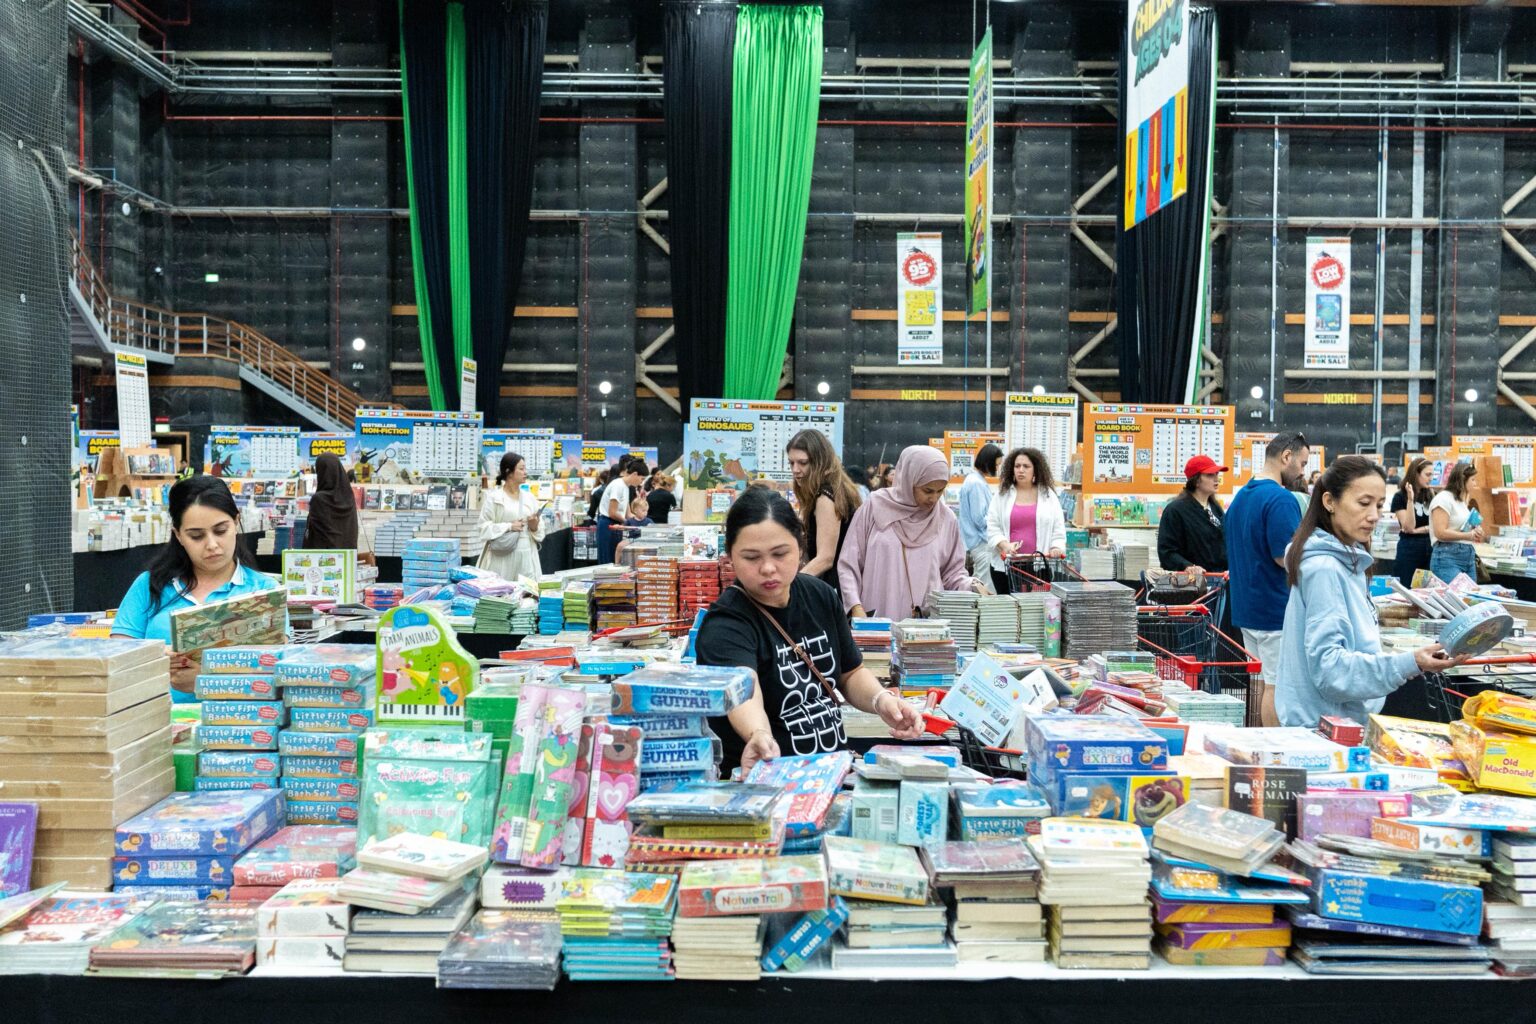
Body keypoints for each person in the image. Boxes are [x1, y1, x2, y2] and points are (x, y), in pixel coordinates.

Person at [694, 488, 924, 773]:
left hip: (832, 774)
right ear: (730, 556)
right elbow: (743, 691)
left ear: (801, 547)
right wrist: (758, 735)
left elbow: (849, 673)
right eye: (751, 557)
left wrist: (881, 701)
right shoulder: (726, 623)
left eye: (780, 553)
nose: (768, 568)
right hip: (773, 779)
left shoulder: (820, 595)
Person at [1277, 456, 1460, 728]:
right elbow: (1330, 671)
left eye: (1379, 505)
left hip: (1337, 721)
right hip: (1326, 729)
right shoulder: (1325, 568)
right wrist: (1409, 663)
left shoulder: (1347, 558)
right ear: (1329, 502)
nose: (1374, 516)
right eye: (1363, 503)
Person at [111, 476, 283, 703]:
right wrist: (156, 658)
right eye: (196, 536)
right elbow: (115, 662)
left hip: (236, 727)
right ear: (178, 535)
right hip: (155, 724)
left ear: (236, 522)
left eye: (221, 531)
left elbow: (278, 677)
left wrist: (205, 681)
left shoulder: (264, 591)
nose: (212, 545)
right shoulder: (150, 585)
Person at [1225, 429, 1310, 727]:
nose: (1302, 472)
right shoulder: (1280, 499)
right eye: (1301, 463)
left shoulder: (1240, 498)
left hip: (1247, 606)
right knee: (1277, 686)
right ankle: (1275, 749)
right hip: (1274, 608)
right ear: (1286, 457)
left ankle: (1259, 741)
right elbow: (1283, 555)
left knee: (1259, 682)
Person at [839, 445, 975, 619]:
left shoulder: (945, 518)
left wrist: (973, 585)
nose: (933, 498)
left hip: (926, 630)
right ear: (908, 480)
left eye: (940, 491)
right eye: (927, 490)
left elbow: (953, 573)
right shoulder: (874, 507)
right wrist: (855, 606)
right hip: (875, 622)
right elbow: (849, 564)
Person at [984, 447, 1067, 596]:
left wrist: (1056, 547)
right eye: (1017, 466)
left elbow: (1058, 528)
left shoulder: (1048, 495)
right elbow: (992, 526)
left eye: (1026, 466)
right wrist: (1004, 545)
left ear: (1036, 469)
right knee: (1009, 613)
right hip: (1006, 568)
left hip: (1039, 568)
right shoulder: (1002, 494)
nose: (1021, 470)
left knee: (1035, 612)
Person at [785, 429, 862, 588]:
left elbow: (825, 559)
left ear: (820, 461)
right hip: (845, 584)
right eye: (791, 463)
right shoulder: (838, 488)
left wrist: (791, 586)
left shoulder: (825, 497)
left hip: (833, 586)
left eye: (803, 463)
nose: (795, 469)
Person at [478, 452, 546, 582]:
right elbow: (483, 528)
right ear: (509, 471)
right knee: (501, 594)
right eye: (521, 469)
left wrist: (534, 526)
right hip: (501, 558)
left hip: (526, 556)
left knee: (526, 596)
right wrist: (509, 526)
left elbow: (540, 532)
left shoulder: (529, 498)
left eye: (525, 468)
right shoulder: (494, 498)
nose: (525, 472)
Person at [1157, 456, 1228, 575]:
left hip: (1221, 579)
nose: (1216, 479)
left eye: (1216, 474)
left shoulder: (1216, 508)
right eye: (1210, 475)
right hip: (1193, 584)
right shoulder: (1175, 510)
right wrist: (1187, 566)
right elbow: (1167, 552)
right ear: (1196, 480)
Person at [303, 453, 373, 565]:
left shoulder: (319, 499)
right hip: (346, 561)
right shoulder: (348, 497)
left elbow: (317, 535)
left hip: (323, 563)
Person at [1429, 461, 1483, 583]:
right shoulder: (1443, 499)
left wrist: (1476, 531)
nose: (1475, 483)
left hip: (1468, 555)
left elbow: (1461, 526)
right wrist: (1468, 535)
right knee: (1453, 597)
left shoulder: (1461, 501)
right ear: (1463, 479)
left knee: (1468, 598)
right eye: (1473, 480)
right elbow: (1440, 532)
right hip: (1447, 556)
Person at [959, 443, 1002, 586]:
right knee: (985, 587)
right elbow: (979, 518)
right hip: (982, 543)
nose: (997, 468)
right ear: (988, 462)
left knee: (981, 583)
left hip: (979, 543)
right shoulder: (976, 483)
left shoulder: (975, 480)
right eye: (996, 465)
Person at [1392, 457, 1435, 587]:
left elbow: (1437, 525)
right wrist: (1410, 500)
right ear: (1416, 474)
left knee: (1426, 590)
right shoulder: (1400, 497)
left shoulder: (1432, 495)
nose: (1431, 478)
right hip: (1409, 548)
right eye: (1427, 474)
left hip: (1430, 546)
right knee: (1406, 586)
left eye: (1432, 474)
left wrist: (1422, 530)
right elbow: (1409, 527)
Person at [597, 457, 646, 564]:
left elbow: (628, 513)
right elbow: (612, 512)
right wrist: (627, 523)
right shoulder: (618, 485)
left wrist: (642, 522)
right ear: (634, 474)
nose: (641, 483)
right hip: (608, 525)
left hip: (617, 525)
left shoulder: (626, 487)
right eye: (641, 479)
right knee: (608, 561)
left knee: (616, 561)